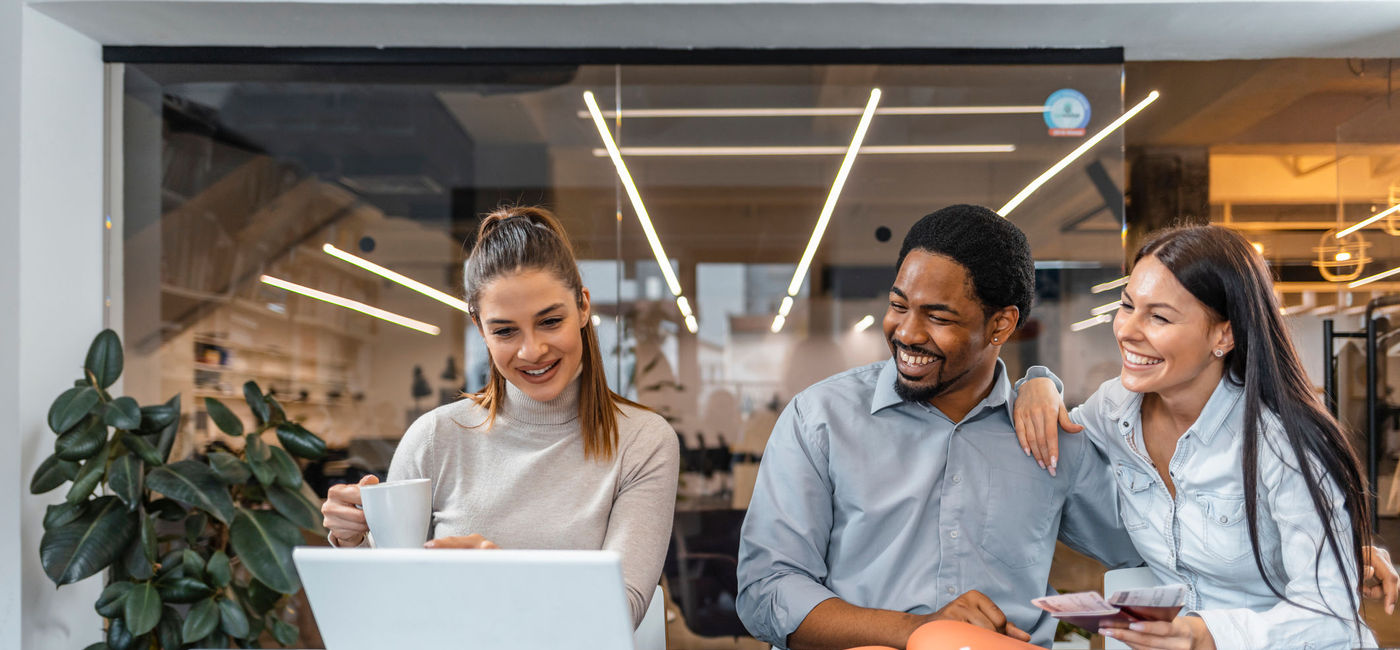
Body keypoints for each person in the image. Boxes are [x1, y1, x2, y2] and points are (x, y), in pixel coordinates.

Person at [736, 205, 1146, 650]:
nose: (907, 332)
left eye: (938, 316)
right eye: (898, 305)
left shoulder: (1048, 436)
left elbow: (1156, 555)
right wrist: (923, 631)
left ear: (1000, 325)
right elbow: (767, 591)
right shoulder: (820, 419)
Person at [1013, 224, 1382, 649]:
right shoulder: (1115, 409)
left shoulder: (1281, 442)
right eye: (1127, 305)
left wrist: (1204, 635)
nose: (1128, 330)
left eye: (1159, 316)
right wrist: (1038, 385)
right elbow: (1060, 426)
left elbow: (1331, 617)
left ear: (1223, 334)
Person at [319, 205, 681, 627]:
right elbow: (389, 605)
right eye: (506, 330)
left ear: (583, 307)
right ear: (479, 327)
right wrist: (353, 543)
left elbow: (620, 612)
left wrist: (501, 578)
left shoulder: (642, 441)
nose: (532, 351)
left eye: (550, 321)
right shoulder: (435, 437)